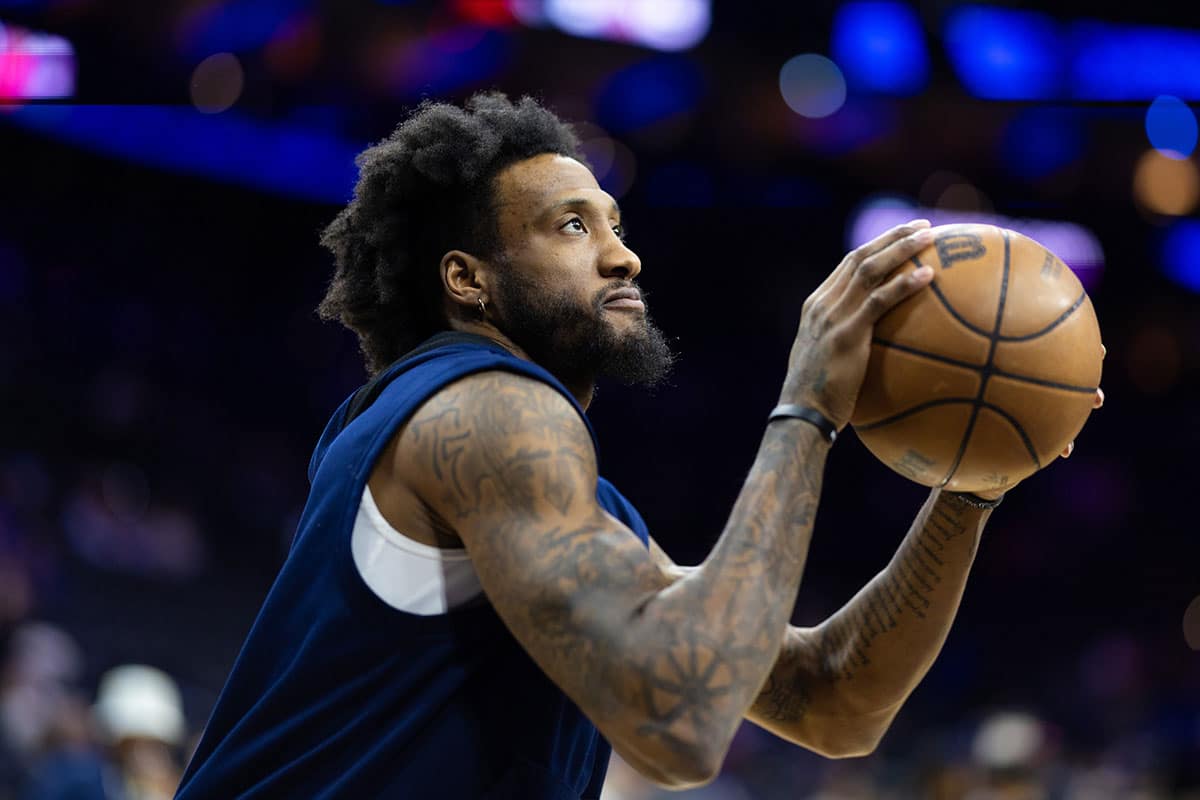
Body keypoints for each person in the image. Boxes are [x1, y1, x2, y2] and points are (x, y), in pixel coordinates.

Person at [175, 92, 1104, 799]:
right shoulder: (486, 410)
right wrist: (807, 406)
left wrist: (973, 482)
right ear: (468, 281)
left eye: (616, 225)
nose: (624, 256)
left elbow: (834, 702)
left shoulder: (559, 502)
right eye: (572, 226)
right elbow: (678, 723)